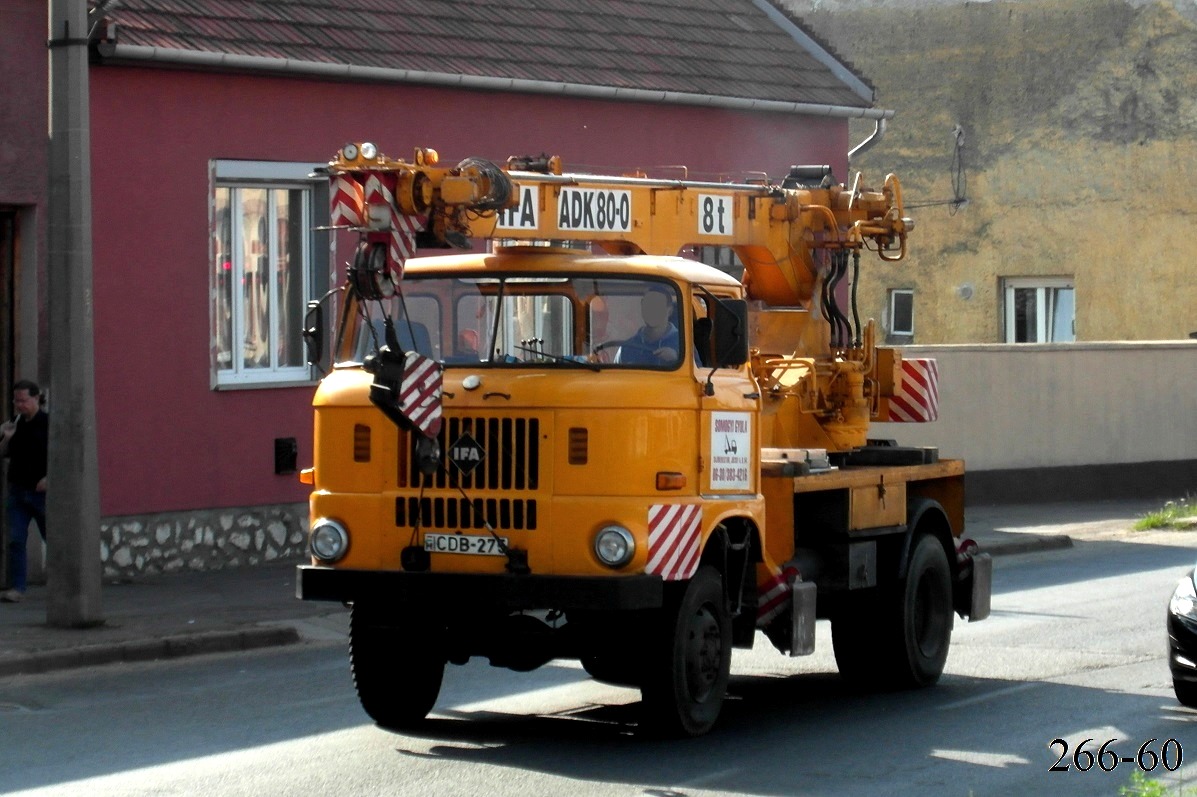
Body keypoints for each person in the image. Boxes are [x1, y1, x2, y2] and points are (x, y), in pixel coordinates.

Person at [0, 379, 48, 603]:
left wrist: (49, 478)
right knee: (15, 540)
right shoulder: (15, 422)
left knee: (54, 539)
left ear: (36, 398)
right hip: (18, 490)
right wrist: (6, 438)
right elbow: (4, 454)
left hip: (40, 492)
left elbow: (59, 455)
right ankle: (18, 587)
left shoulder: (47, 423)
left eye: (24, 400)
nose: (19, 405)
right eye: (16, 400)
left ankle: (65, 584)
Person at [618, 284, 680, 365]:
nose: (652, 309)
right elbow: (615, 375)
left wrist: (677, 358)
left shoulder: (682, 341)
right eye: (648, 304)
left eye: (658, 305)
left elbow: (697, 371)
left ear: (670, 310)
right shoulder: (627, 347)